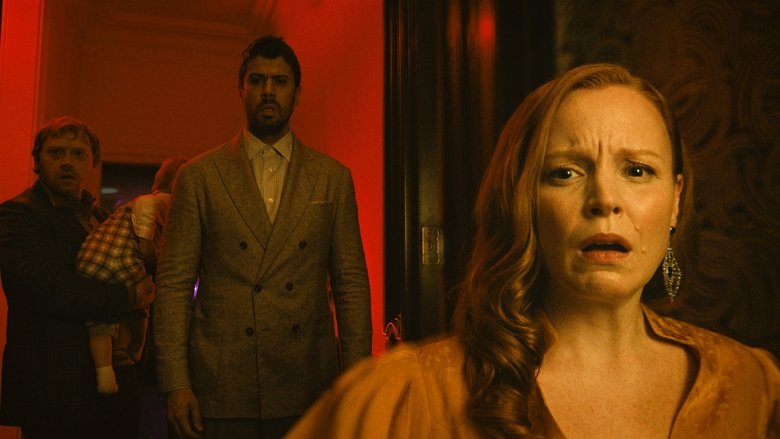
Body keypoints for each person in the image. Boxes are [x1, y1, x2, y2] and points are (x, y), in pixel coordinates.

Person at [285, 63, 780, 438]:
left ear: (675, 201)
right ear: (524, 200)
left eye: (637, 170)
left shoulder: (751, 387)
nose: (605, 199)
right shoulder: (415, 395)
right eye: (565, 172)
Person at [152, 35, 372, 439]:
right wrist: (175, 382)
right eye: (257, 80)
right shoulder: (199, 176)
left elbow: (351, 283)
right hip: (221, 383)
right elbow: (173, 285)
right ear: (241, 89)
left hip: (307, 381)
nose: (268, 90)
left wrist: (358, 379)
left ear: (297, 93)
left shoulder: (332, 178)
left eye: (280, 81)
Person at [0, 116, 156, 439]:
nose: (67, 162)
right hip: (55, 388)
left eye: (78, 154)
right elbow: (44, 287)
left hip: (117, 381)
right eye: (56, 152)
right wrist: (128, 297)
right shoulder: (18, 214)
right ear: (37, 161)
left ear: (93, 163)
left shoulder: (100, 216)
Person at [76, 156, 188, 395]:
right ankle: (131, 354)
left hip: (94, 260)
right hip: (122, 259)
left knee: (101, 321)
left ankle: (109, 370)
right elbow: (147, 209)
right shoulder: (163, 202)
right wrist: (148, 247)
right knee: (140, 302)